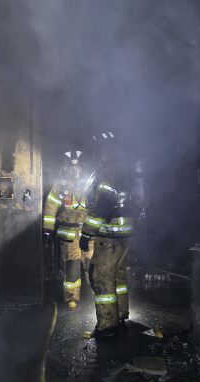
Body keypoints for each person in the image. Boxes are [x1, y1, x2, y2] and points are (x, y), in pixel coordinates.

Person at [79, 132, 135, 337]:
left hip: (109, 233)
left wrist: (87, 232)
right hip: (123, 231)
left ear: (104, 148)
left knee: (101, 276)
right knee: (117, 274)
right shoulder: (122, 167)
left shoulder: (109, 169)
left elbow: (104, 202)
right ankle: (120, 314)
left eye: (98, 148)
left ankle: (107, 325)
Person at [43, 150, 94, 308]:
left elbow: (101, 206)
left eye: (77, 167)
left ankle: (96, 292)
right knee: (72, 266)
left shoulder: (91, 184)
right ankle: (72, 297)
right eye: (71, 168)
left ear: (82, 168)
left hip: (89, 233)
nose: (74, 170)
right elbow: (51, 207)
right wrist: (47, 230)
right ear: (65, 169)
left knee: (92, 263)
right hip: (69, 234)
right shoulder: (60, 185)